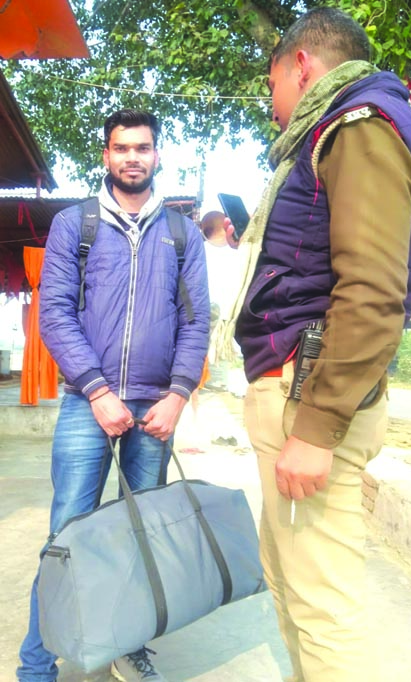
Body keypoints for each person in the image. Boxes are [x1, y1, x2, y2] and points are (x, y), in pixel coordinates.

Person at [219, 8, 411, 682]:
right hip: (298, 390)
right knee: (293, 588)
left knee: (323, 612)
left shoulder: (360, 125)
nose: (272, 105)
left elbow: (373, 290)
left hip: (308, 399)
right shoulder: (341, 128)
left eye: (272, 84)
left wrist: (315, 427)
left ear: (301, 65)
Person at [17, 109, 210, 682]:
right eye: (121, 148)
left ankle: (128, 644)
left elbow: (196, 321)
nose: (132, 157)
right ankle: (37, 666)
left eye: (142, 148)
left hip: (156, 409)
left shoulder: (182, 234)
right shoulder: (75, 225)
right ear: (106, 155)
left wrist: (178, 395)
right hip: (87, 405)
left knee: (141, 533)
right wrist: (98, 390)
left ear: (157, 156)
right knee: (68, 535)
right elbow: (54, 315)